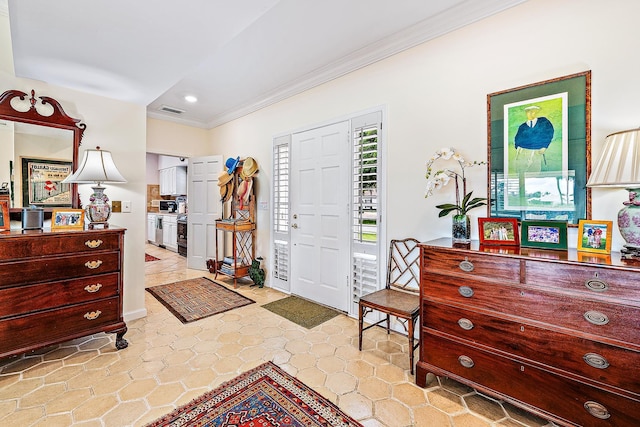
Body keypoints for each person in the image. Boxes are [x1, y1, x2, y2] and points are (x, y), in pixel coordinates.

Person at [514, 105, 554, 172]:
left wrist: (545, 146)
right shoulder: (522, 126)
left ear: (536, 112)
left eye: (533, 112)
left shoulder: (543, 122)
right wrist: (518, 147)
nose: (531, 114)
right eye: (529, 112)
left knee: (536, 170)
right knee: (521, 170)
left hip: (537, 150)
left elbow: (549, 133)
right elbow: (517, 138)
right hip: (523, 151)